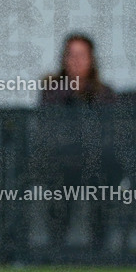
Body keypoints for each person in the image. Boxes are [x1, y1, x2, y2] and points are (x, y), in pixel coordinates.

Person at [38, 33, 118, 251]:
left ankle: (99, 248)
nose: (76, 61)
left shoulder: (105, 94)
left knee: (105, 176)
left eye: (82, 55)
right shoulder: (52, 92)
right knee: (58, 179)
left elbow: (111, 135)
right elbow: (47, 132)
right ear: (64, 59)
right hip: (62, 162)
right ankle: (57, 248)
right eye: (71, 55)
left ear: (91, 59)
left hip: (97, 163)